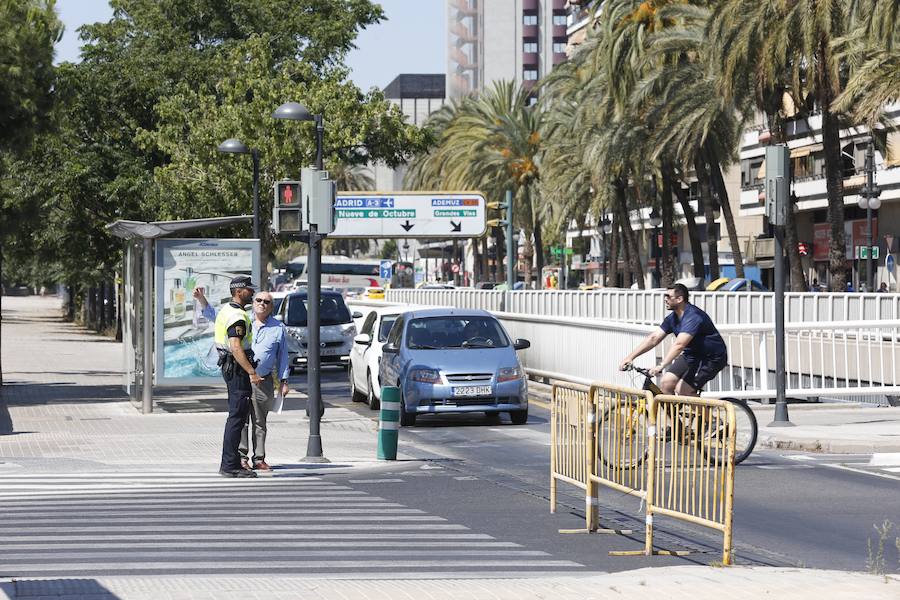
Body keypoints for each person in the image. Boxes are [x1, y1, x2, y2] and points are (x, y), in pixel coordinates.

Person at [619, 283, 728, 396]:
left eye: (668, 296)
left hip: (711, 358)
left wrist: (661, 365)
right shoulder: (673, 318)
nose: (665, 299)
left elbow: (679, 344)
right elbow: (653, 338)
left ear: (679, 299)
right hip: (692, 355)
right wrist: (630, 357)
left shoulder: (693, 317)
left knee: (683, 390)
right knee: (666, 383)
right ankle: (674, 414)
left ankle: (704, 414)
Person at [239, 291, 290, 471]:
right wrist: (202, 302)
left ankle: (259, 458)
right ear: (253, 303)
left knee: (260, 422)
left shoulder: (278, 328)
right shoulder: (243, 321)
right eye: (259, 300)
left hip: (263, 381)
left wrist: (284, 380)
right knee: (242, 420)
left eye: (266, 302)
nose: (262, 304)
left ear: (271, 306)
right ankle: (242, 458)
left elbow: (283, 355)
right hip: (243, 378)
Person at [215, 275, 261, 478]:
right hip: (237, 371)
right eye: (249, 290)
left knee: (236, 417)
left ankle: (231, 462)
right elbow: (235, 346)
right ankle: (229, 465)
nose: (252, 293)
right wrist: (251, 371)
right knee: (237, 418)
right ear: (238, 291)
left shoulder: (228, 310)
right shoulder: (237, 316)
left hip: (231, 369)